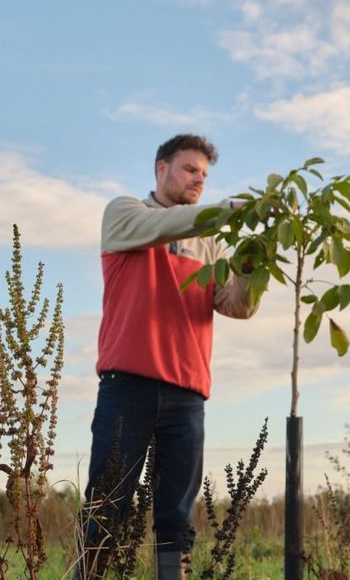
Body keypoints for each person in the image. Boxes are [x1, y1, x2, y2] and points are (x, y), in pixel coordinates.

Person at [80, 134, 260, 580]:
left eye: (204, 174)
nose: (199, 180)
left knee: (176, 514)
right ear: (161, 168)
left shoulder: (210, 243)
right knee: (109, 502)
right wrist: (229, 211)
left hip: (187, 394)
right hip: (128, 387)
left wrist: (255, 266)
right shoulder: (125, 215)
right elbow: (170, 225)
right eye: (189, 169)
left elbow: (238, 306)